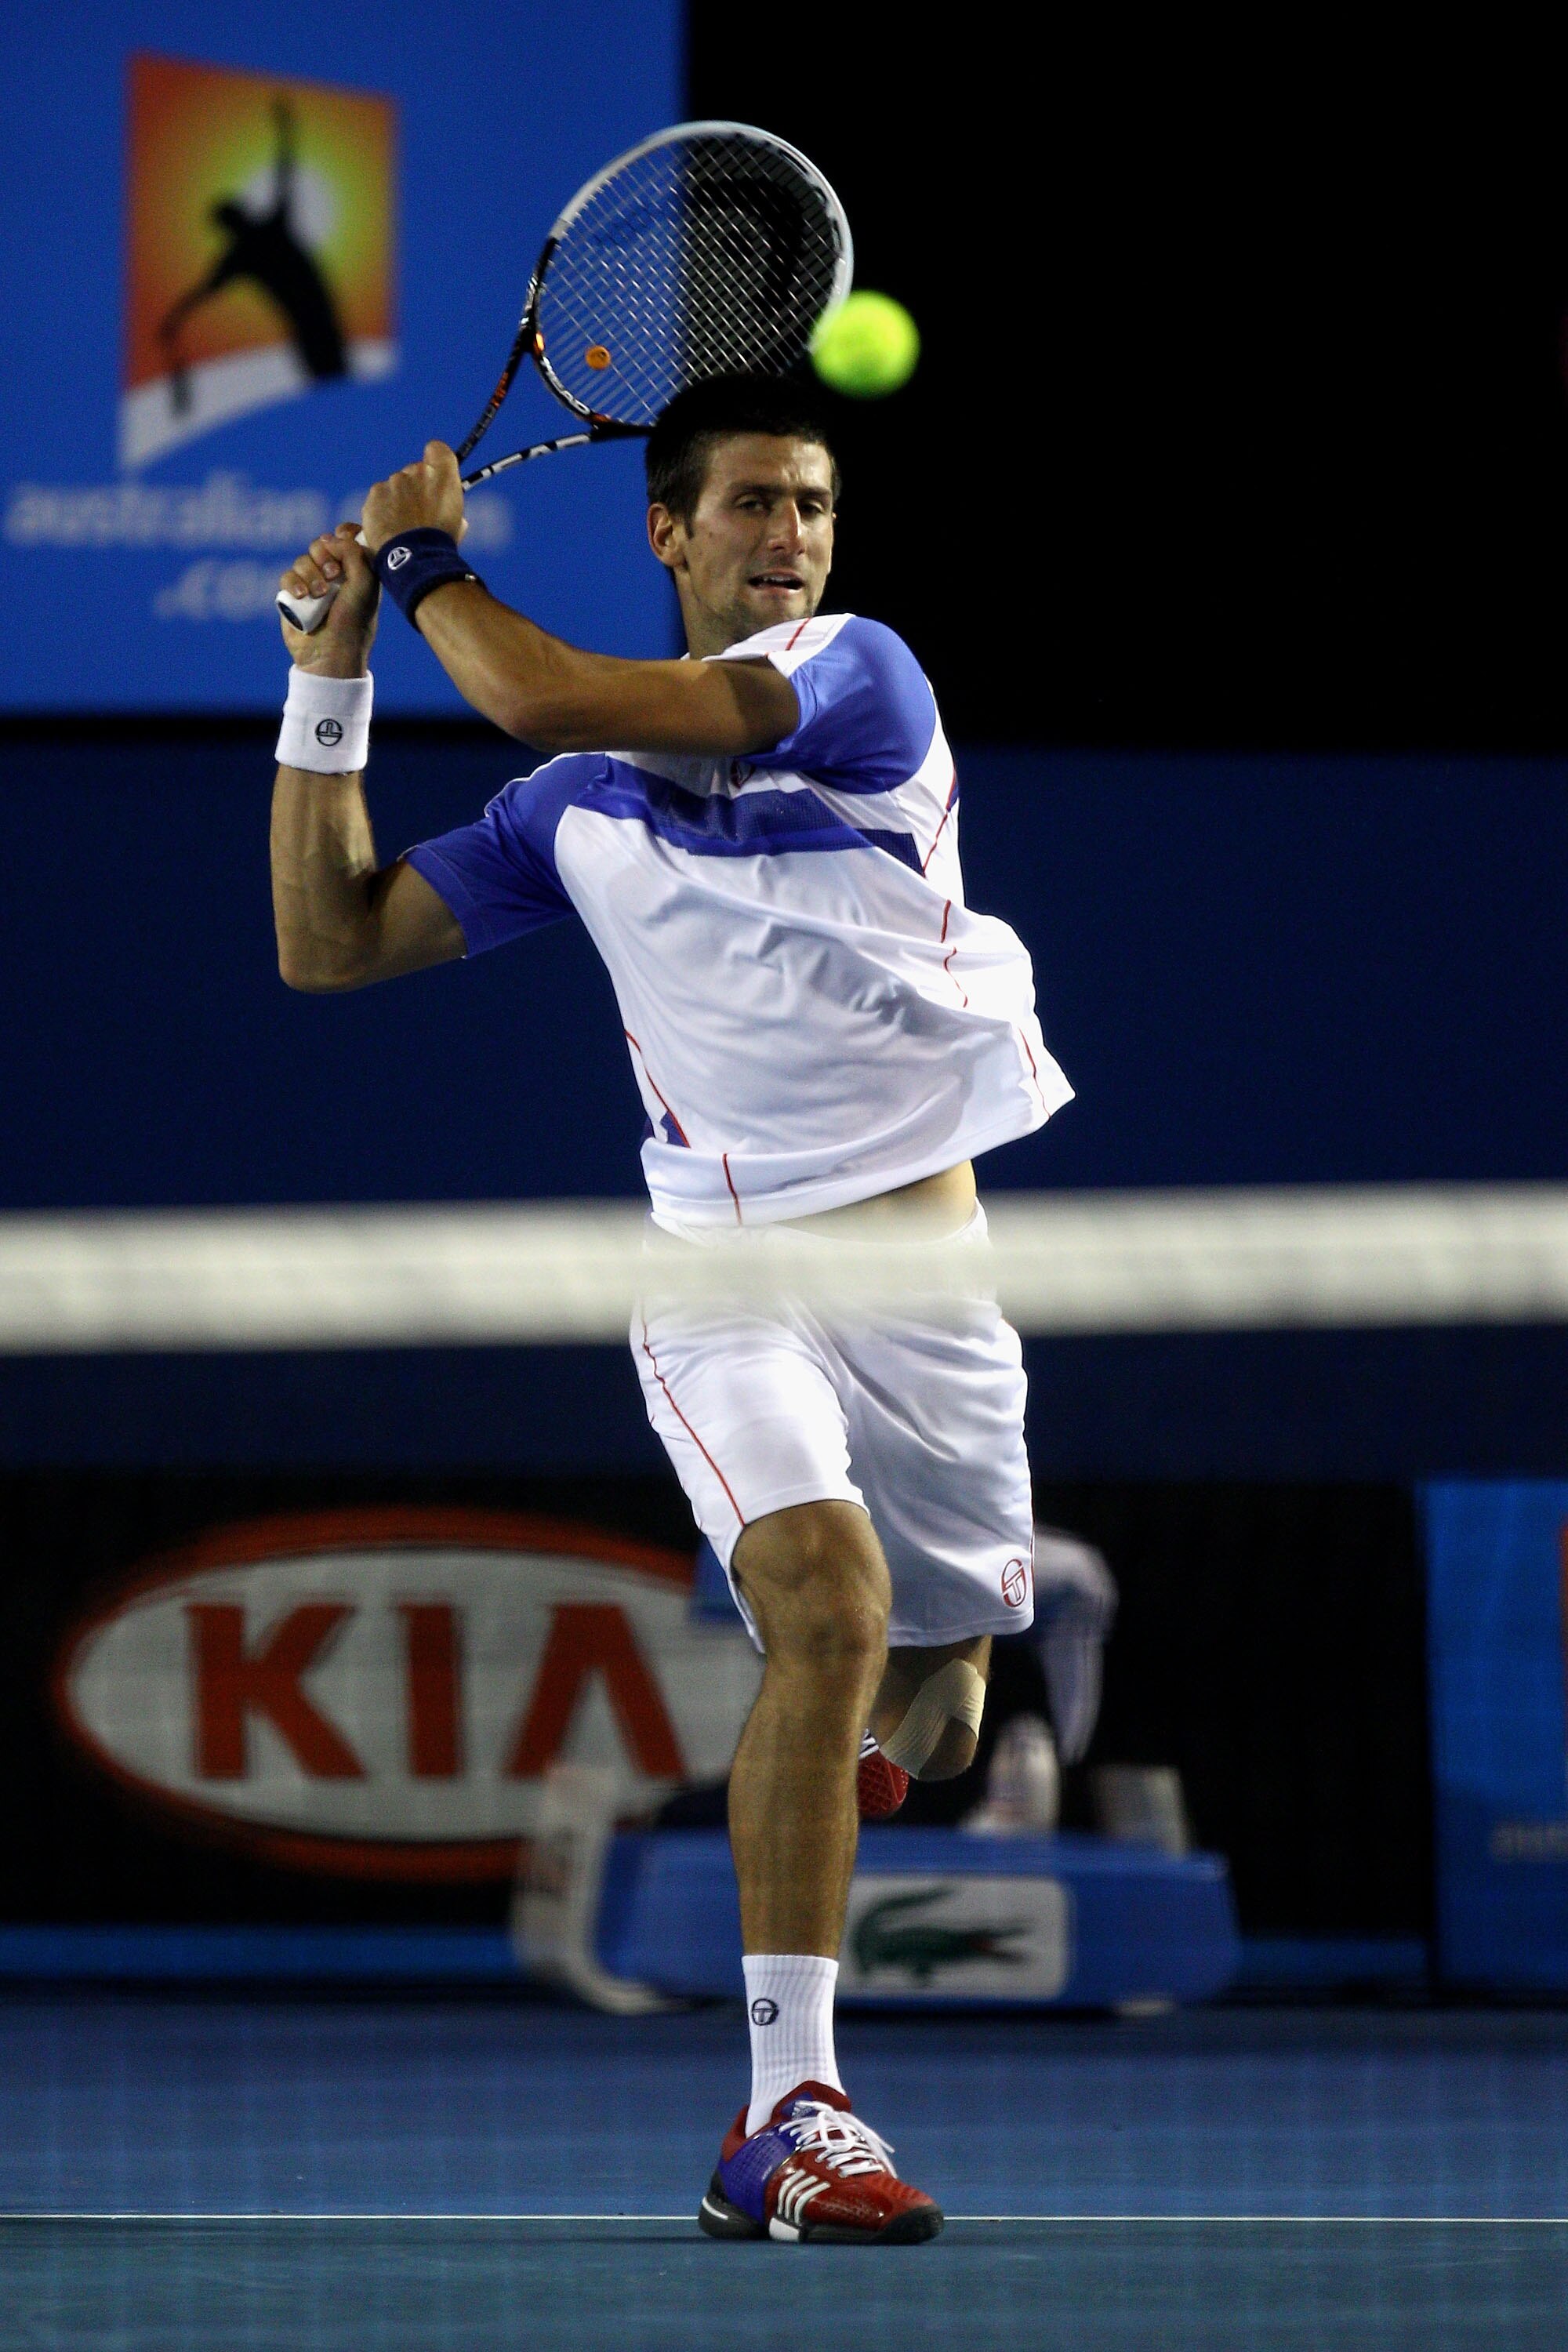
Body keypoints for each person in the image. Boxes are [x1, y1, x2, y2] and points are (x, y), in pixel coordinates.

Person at [271, 376, 1073, 2245]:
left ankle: (838, 1753)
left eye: (812, 504)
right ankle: (788, 2114)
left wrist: (421, 561)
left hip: (928, 1291)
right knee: (826, 1605)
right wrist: (331, 677)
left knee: (943, 1706)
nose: (789, 534)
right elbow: (330, 941)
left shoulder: (860, 676)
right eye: (751, 504)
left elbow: (547, 691)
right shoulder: (571, 812)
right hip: (722, 1278)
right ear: (667, 532)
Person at [159, 100, 346, 412]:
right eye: (238, 213)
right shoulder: (251, 247)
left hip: (317, 321)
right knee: (331, 386)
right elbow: (204, 291)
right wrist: (175, 319)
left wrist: (286, 131)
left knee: (332, 384)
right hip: (312, 324)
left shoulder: (254, 243)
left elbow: (285, 173)